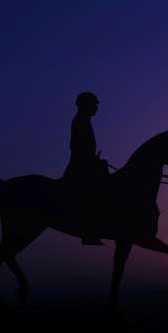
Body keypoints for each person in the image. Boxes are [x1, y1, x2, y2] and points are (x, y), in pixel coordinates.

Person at [63, 92, 107, 246]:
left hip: (84, 163)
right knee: (95, 194)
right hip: (80, 166)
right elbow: (77, 147)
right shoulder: (80, 121)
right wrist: (91, 161)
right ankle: (88, 231)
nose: (96, 108)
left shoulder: (84, 120)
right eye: (94, 105)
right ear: (85, 105)